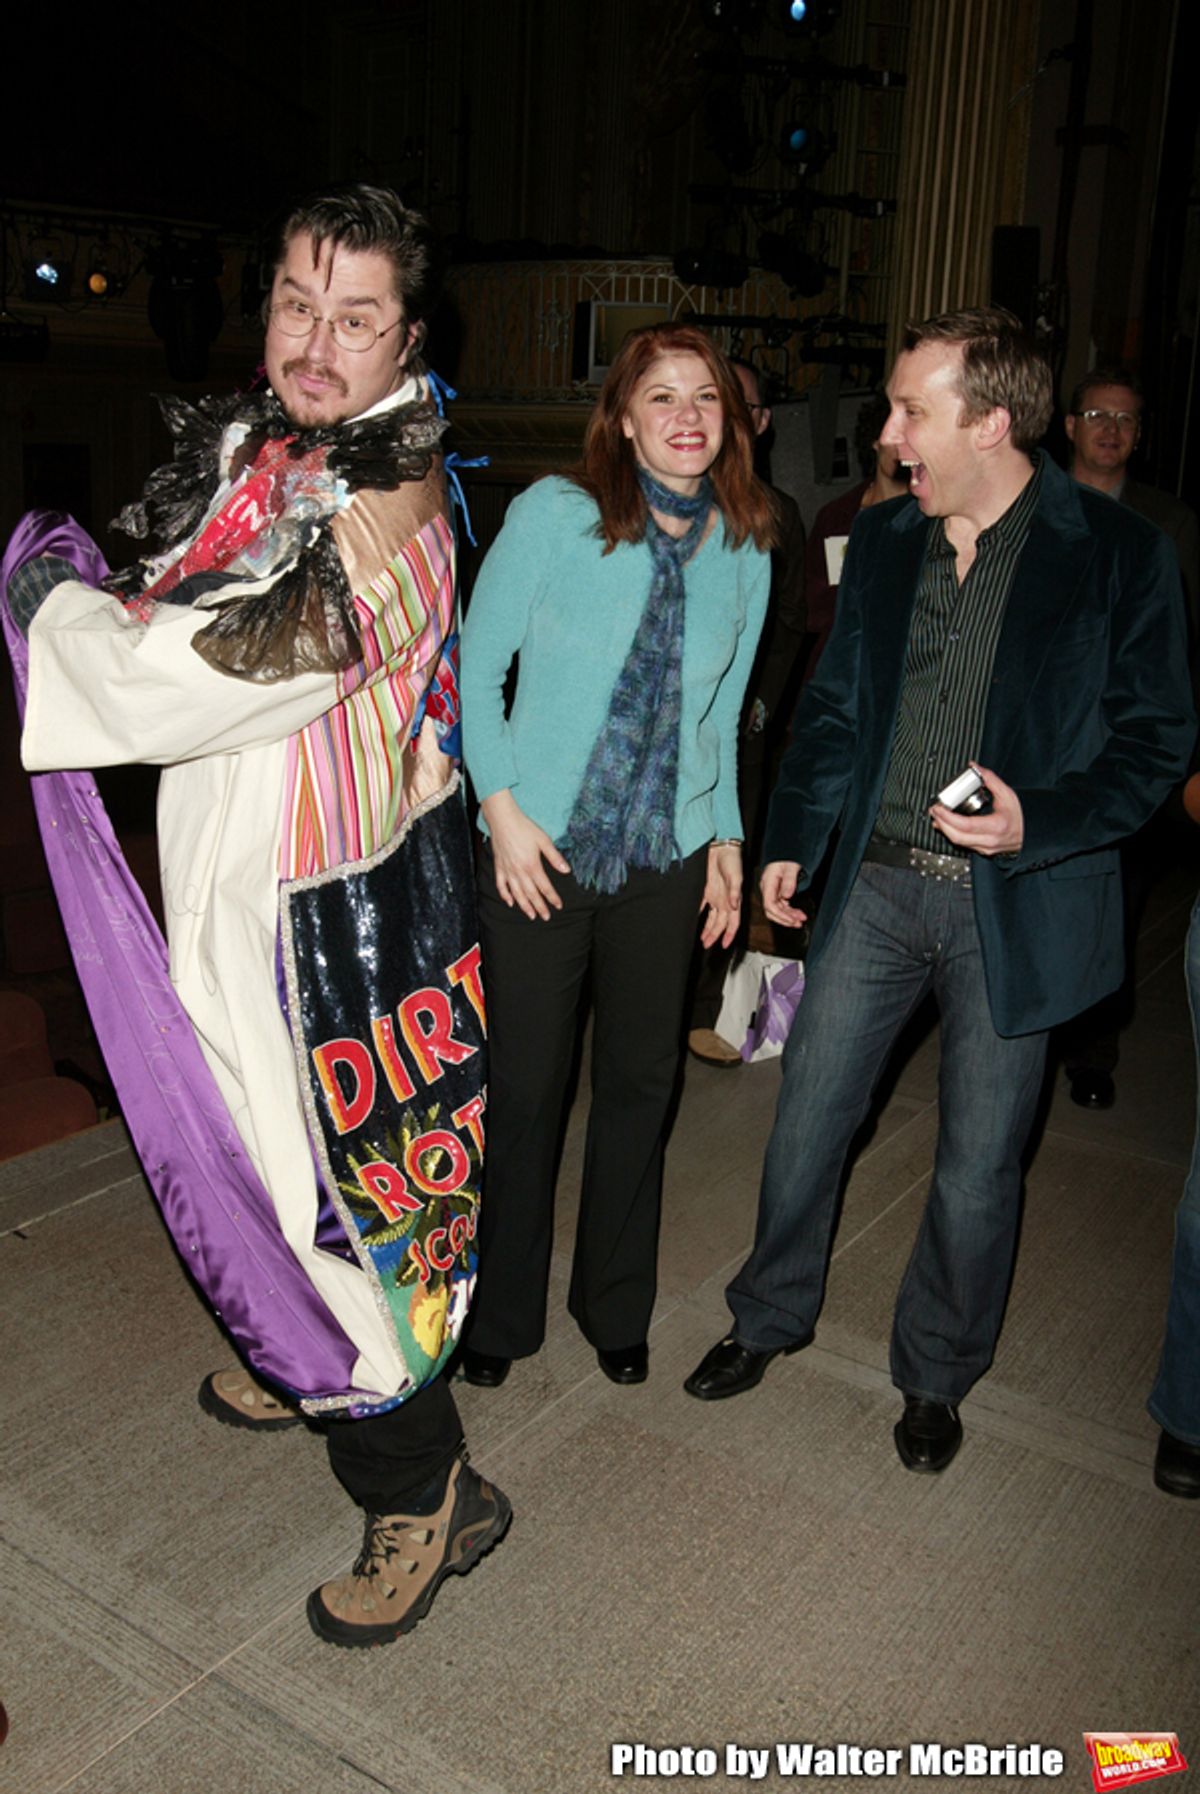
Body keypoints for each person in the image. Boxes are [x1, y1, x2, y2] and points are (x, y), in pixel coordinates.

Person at [3, 184, 509, 1647]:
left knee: (336, 1204)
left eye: (356, 319)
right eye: (297, 304)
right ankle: (298, 1348)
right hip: (245, 868)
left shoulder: (385, 505)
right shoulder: (278, 446)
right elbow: (185, 582)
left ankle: (425, 1486)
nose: (315, 343)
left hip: (325, 920)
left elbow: (209, 669)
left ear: (409, 338)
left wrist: (52, 612)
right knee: (246, 1151)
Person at [684, 306, 1195, 1474]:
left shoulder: (1119, 557)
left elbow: (1157, 742)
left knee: (977, 1163)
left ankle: (936, 1373)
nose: (890, 433)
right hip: (874, 882)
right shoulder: (886, 539)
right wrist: (794, 835)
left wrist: (1039, 819)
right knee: (808, 1117)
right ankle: (767, 1315)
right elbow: (836, 707)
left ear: (993, 422)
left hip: (1009, 901)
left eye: (914, 410)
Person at [458, 323, 774, 1388]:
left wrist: (725, 838)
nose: (687, 416)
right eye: (662, 397)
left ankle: (614, 1304)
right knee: (527, 1088)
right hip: (537, 848)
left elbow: (722, 717)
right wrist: (501, 810)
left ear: (730, 420)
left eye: (706, 397)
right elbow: (476, 667)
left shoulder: (746, 543)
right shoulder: (558, 514)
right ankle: (498, 1316)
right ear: (625, 420)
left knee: (641, 1082)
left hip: (665, 856)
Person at [1059, 363, 1200, 1110]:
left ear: (1140, 435)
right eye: (1096, 416)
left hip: (1121, 747)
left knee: (1115, 903)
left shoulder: (1168, 524)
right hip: (1039, 742)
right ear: (1069, 426)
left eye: (1126, 419)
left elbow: (1182, 647)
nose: (1110, 430)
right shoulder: (1028, 499)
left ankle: (1093, 1050)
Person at [688, 357, 807, 1068]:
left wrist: (759, 701)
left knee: (726, 862)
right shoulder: (667, 496)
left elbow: (789, 623)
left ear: (761, 423)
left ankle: (708, 1008)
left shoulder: (779, 513)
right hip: (664, 726)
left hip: (740, 727)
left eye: (744, 405)